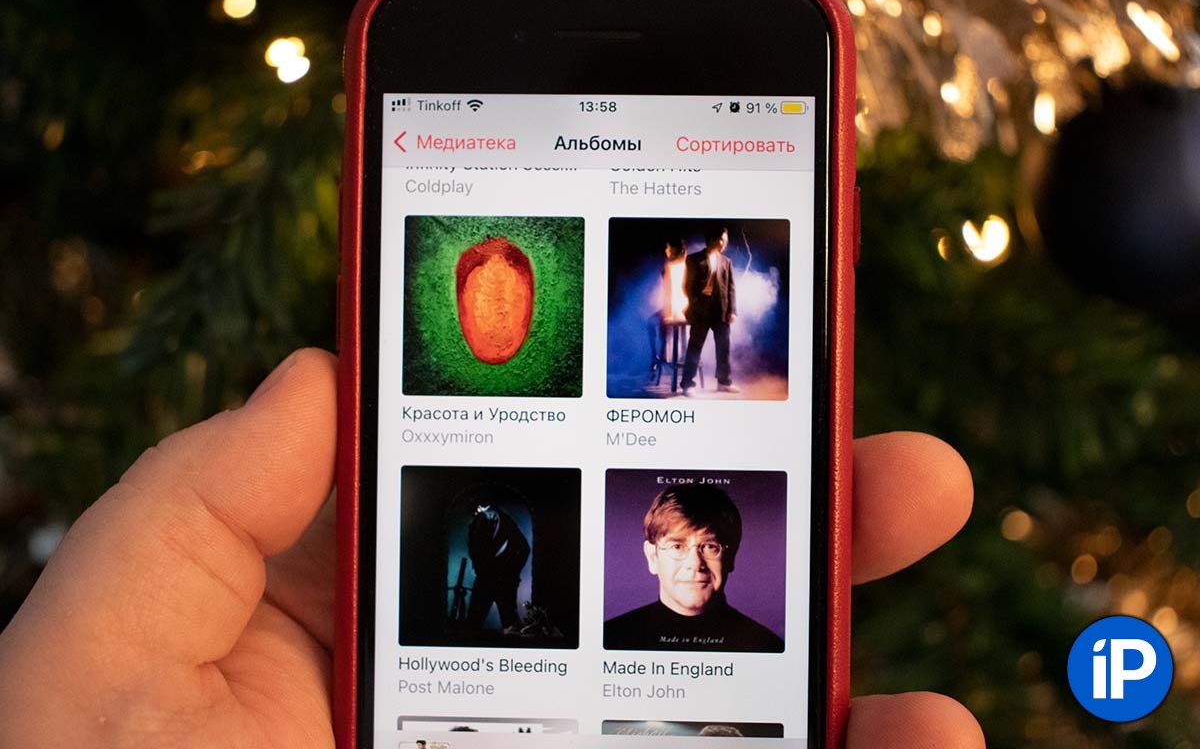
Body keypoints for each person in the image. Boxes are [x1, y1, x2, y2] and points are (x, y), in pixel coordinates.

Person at [0, 349, 985, 747]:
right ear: (647, 553)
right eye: (682, 544)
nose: (700, 563)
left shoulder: (762, 656)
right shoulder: (601, 621)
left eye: (715, 548)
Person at [603, 484, 783, 652]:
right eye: (677, 546)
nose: (695, 563)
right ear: (652, 557)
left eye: (710, 546)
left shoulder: (767, 646)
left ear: (731, 557)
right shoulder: (609, 639)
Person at [681, 225, 737, 395]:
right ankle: (688, 384)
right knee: (695, 348)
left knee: (724, 348)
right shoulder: (693, 259)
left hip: (721, 311)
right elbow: (687, 286)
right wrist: (696, 303)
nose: (725, 244)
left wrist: (732, 311)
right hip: (700, 312)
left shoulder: (726, 261)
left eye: (726, 240)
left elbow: (731, 288)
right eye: (723, 240)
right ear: (714, 239)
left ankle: (724, 382)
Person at [465, 503, 530, 632]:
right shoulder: (504, 518)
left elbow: (477, 550)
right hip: (505, 580)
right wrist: (512, 573)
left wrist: (481, 568)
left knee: (473, 625)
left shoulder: (483, 517)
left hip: (487, 578)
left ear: (479, 506)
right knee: (510, 625)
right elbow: (525, 548)